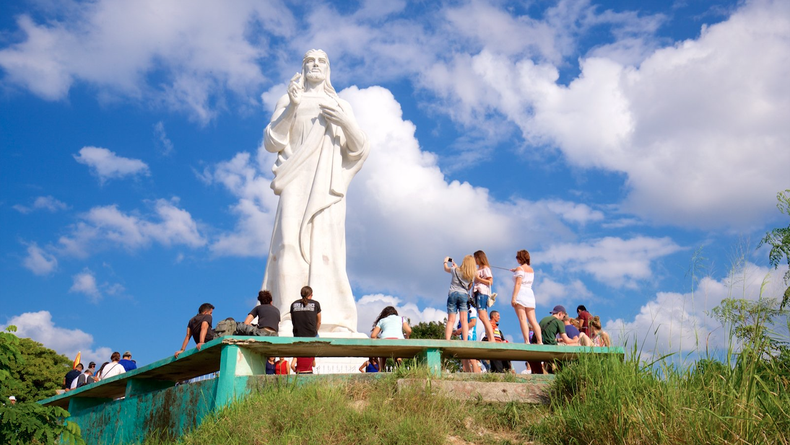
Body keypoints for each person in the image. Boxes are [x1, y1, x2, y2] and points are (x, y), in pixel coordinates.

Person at [261, 49, 371, 336]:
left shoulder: (339, 103)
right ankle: (286, 315)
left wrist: (345, 121)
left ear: (328, 69)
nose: (315, 65)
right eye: (310, 61)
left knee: (326, 248)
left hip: (327, 184)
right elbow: (272, 141)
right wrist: (292, 108)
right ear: (302, 67)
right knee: (288, 245)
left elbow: (359, 148)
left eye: (321, 61)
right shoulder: (288, 99)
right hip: (295, 179)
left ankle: (332, 318)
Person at [529, 306, 575, 374]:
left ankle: (545, 371)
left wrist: (557, 340)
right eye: (563, 316)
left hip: (538, 343)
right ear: (560, 313)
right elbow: (567, 340)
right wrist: (576, 340)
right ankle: (561, 372)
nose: (563, 319)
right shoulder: (559, 322)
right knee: (568, 348)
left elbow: (545, 335)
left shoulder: (544, 319)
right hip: (550, 346)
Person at [511, 249, 543, 344]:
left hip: (521, 293)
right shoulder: (531, 270)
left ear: (520, 258)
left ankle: (526, 341)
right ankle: (540, 341)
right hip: (530, 293)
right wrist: (515, 270)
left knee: (522, 319)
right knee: (533, 320)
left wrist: (513, 298)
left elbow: (518, 284)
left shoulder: (520, 269)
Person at [443, 255, 476, 341]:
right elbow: (468, 288)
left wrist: (445, 261)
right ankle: (465, 340)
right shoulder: (471, 275)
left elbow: (446, 269)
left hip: (453, 294)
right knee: (464, 320)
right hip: (463, 295)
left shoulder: (455, 270)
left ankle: (448, 339)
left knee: (451, 320)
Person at [473, 250, 496, 343]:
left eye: (476, 258)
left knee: (483, 316)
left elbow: (490, 282)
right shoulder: (478, 269)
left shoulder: (486, 268)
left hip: (482, 292)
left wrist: (479, 279)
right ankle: (491, 338)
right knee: (483, 316)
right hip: (477, 292)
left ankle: (492, 338)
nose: (475, 260)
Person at [455, 300, 481, 372]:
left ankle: (476, 376)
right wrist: (456, 332)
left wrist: (460, 330)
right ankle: (469, 375)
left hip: (471, 336)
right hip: (463, 337)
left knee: (472, 358)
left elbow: (473, 323)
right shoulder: (462, 313)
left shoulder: (471, 310)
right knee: (464, 359)